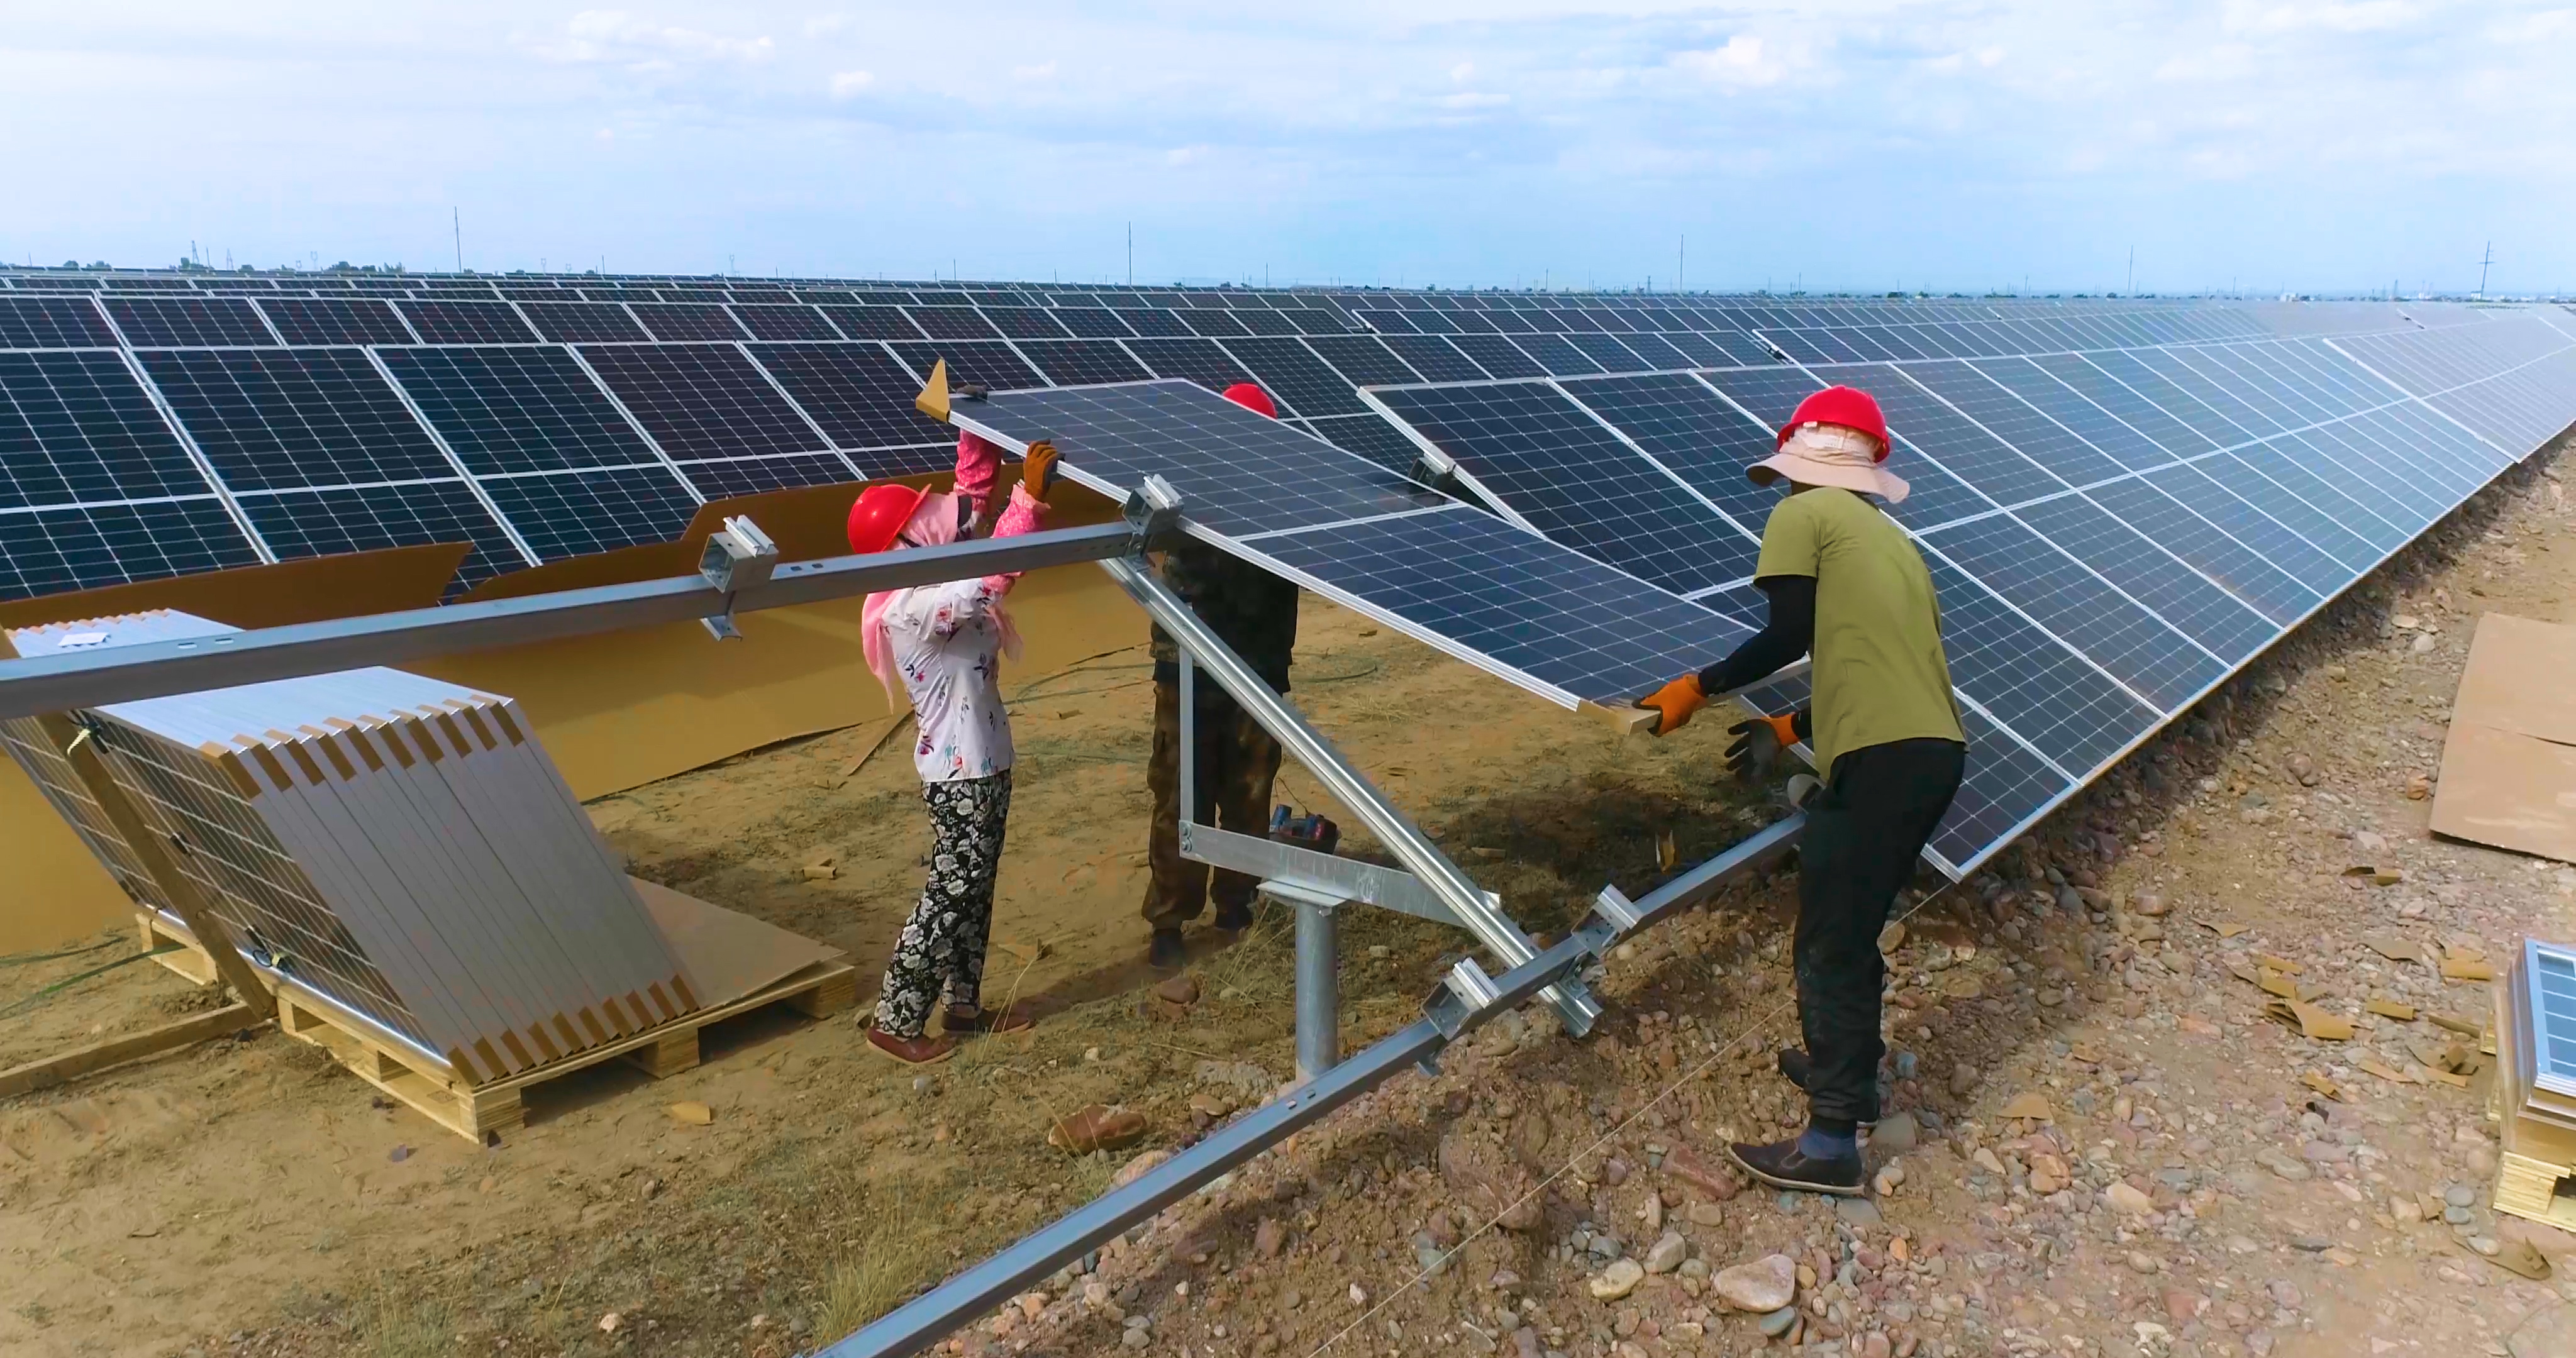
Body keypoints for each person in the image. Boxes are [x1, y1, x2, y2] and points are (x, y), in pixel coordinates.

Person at [1635, 385, 1967, 1196]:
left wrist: (1699, 686)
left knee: (1830, 939)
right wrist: (1789, 731)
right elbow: (1879, 665)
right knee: (1849, 924)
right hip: (1929, 753)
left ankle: (1828, 1143)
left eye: (1785, 474)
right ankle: (1842, 1069)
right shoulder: (1891, 543)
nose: (1779, 490)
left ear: (1801, 466)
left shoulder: (1801, 517)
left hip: (1883, 760)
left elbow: (1787, 633)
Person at [848, 431, 1060, 1064]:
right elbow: (989, 580)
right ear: (908, 545)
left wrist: (975, 434)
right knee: (951, 889)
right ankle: (896, 1017)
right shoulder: (912, 608)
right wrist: (1028, 501)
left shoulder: (924, 579)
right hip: (959, 773)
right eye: (923, 521)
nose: (941, 523)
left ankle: (963, 1005)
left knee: (976, 885)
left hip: (985, 759)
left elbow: (966, 510)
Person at [1141, 382, 1301, 970]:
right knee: (1181, 794)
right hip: (1189, 665)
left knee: (1249, 791)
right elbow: (1135, 530)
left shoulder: (1286, 490)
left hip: (1258, 668)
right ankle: (1169, 921)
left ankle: (1237, 902)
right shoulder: (1180, 484)